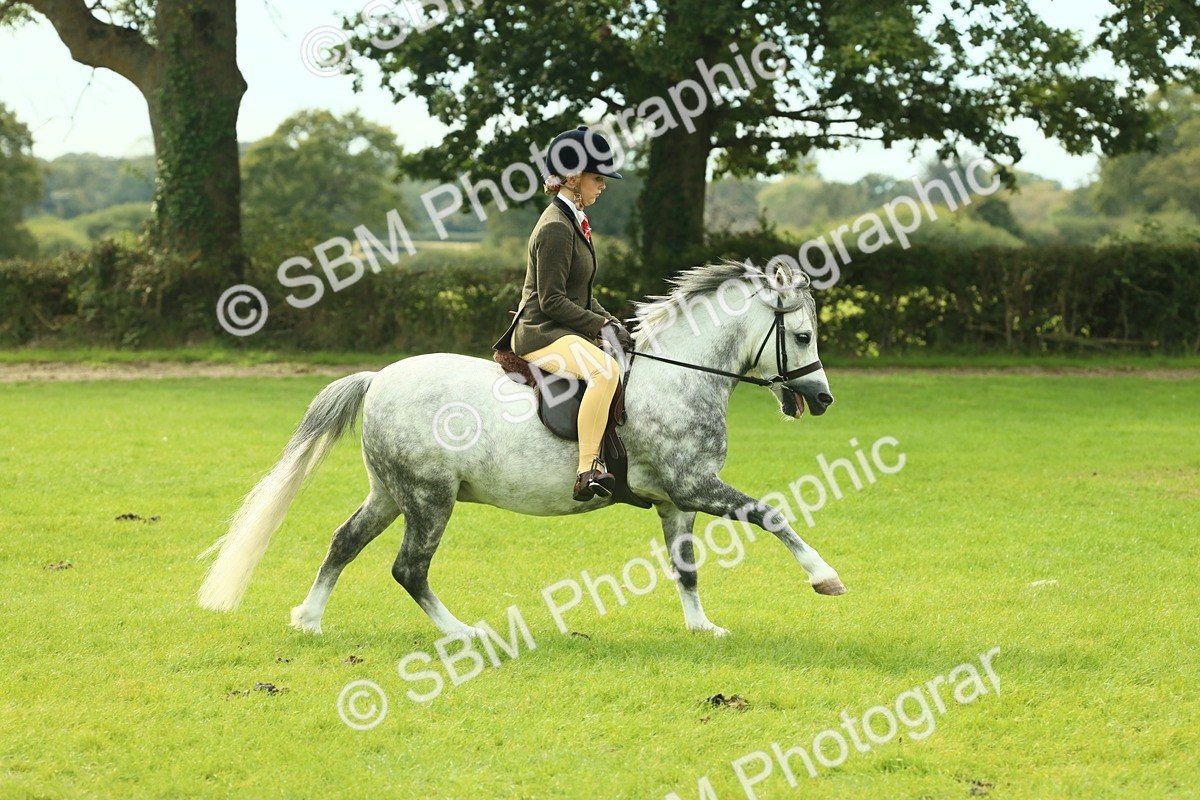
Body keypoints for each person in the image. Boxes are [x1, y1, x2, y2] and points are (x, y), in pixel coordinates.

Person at [492, 125, 636, 501]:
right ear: (573, 178)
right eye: (597, 177)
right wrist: (600, 325)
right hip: (541, 332)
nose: (602, 185)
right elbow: (553, 300)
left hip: (563, 328)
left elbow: (582, 296)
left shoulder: (575, 222)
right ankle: (587, 468)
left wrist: (614, 323)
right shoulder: (556, 227)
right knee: (605, 372)